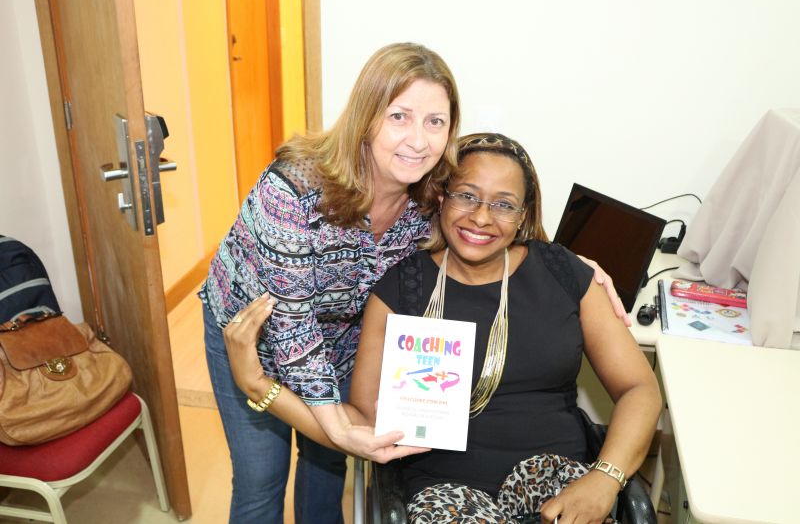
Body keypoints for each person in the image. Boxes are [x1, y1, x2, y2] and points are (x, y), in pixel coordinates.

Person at [203, 43, 628, 523]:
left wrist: (574, 267)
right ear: (367, 117)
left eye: (435, 122)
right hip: (253, 334)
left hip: (343, 332)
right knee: (262, 480)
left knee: (325, 466)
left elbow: (496, 223)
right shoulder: (292, 191)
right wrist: (271, 391)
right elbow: (292, 325)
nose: (418, 140)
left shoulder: (430, 194)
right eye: (399, 116)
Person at [347, 133, 663, 523]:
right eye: (467, 195)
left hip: (555, 479)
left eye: (503, 204)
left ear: (523, 214)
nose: (481, 218)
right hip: (445, 491)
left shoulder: (564, 274)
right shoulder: (400, 290)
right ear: (442, 197)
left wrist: (605, 477)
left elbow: (639, 389)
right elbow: (364, 416)